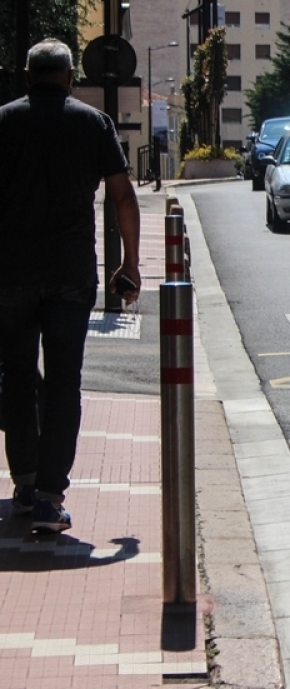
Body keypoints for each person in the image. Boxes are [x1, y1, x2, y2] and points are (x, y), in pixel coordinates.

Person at [0, 38, 141, 533]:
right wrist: (130, 264)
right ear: (68, 77)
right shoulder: (91, 123)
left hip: (10, 275)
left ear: (26, 75)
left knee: (16, 379)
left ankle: (23, 482)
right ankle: (49, 496)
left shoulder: (4, 121)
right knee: (64, 383)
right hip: (70, 274)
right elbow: (123, 196)